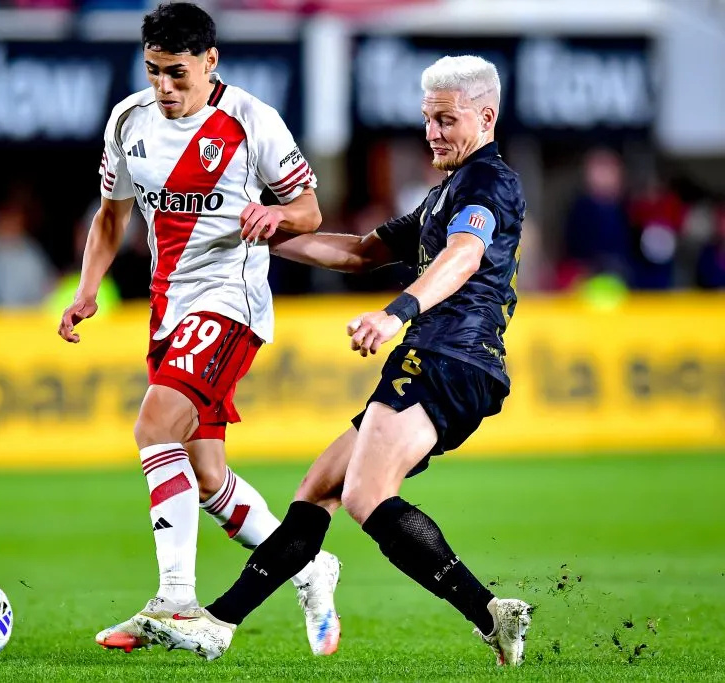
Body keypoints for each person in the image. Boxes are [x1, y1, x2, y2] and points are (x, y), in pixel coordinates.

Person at [133, 54, 534, 667]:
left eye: (447, 121)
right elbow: (361, 251)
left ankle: (214, 622)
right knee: (320, 488)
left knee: (367, 496)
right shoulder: (444, 193)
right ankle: (219, 623)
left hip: (446, 356)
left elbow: (464, 256)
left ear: (486, 116)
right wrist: (271, 231)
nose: (434, 134)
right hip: (457, 363)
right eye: (428, 121)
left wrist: (396, 313)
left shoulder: (487, 183)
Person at [57, 2, 342, 656]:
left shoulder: (251, 121)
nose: (164, 87)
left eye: (178, 74)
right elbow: (110, 215)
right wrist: (86, 289)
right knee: (207, 475)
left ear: (211, 62)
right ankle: (308, 565)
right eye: (154, 70)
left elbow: (309, 208)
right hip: (168, 310)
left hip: (230, 303)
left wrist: (277, 219)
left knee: (154, 427)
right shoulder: (129, 120)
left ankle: (176, 600)